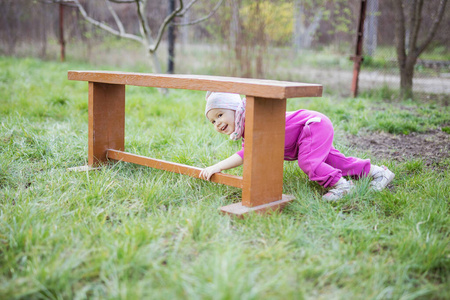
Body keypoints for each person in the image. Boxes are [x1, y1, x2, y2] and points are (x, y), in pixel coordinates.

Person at [199, 92, 395, 201]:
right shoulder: (245, 128)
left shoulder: (254, 118)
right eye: (212, 121)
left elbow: (245, 154)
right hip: (312, 128)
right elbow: (252, 155)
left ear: (236, 110)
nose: (217, 123)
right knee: (334, 161)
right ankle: (378, 172)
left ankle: (341, 186)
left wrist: (218, 166)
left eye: (220, 115)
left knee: (309, 162)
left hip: (312, 125)